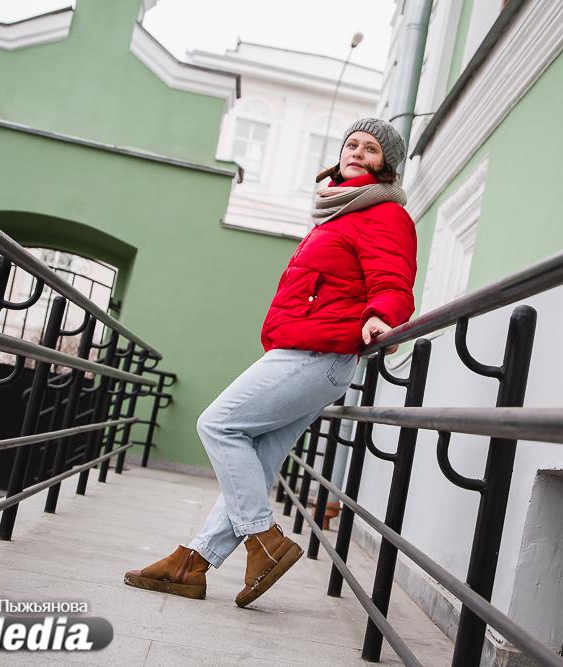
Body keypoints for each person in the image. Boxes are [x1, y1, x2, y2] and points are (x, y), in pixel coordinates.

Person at [124, 118, 417, 607]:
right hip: (309, 351)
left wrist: (382, 316)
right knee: (257, 459)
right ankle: (193, 564)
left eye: (370, 149)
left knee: (219, 424)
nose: (357, 152)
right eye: (351, 144)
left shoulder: (383, 213)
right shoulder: (339, 210)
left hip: (319, 350)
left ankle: (264, 540)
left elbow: (393, 278)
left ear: (385, 165)